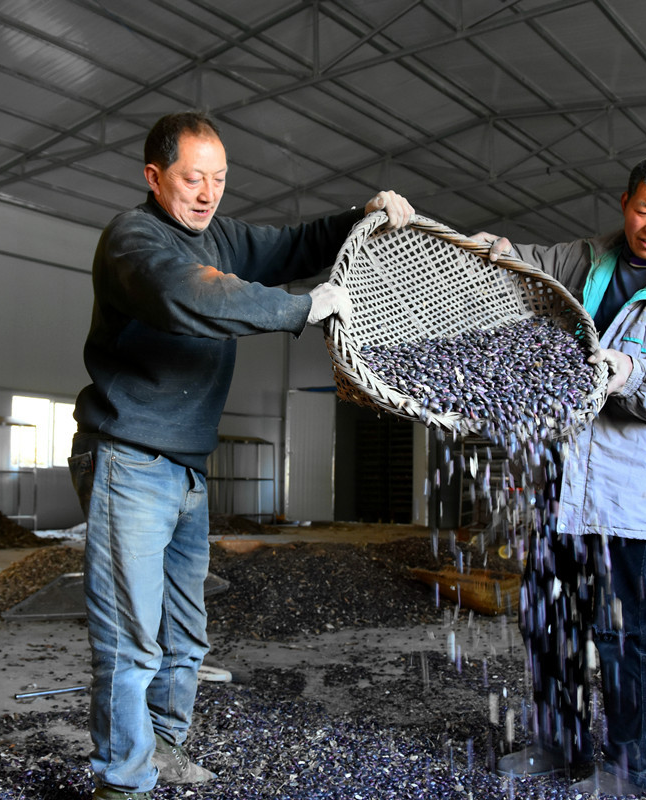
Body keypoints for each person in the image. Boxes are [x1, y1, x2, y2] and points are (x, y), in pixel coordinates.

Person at [68, 110, 414, 800]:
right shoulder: (134, 241)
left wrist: (362, 215)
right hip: (130, 460)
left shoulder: (220, 234)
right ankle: (121, 780)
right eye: (192, 178)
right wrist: (300, 308)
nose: (207, 193)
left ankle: (164, 748)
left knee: (185, 633)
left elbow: (291, 245)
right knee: (131, 637)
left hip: (189, 465)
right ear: (153, 176)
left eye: (219, 179)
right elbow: (188, 295)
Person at [471, 153, 646, 796]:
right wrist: (479, 245)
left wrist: (629, 372)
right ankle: (559, 750)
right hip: (555, 485)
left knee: (627, 640)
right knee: (550, 623)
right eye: (644, 210)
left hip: (624, 495)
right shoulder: (585, 260)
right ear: (625, 203)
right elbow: (520, 263)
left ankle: (632, 771)